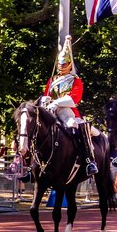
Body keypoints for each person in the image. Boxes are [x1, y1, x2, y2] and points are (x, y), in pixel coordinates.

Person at [43, 35, 98, 177]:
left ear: (69, 64)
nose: (61, 66)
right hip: (51, 110)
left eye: (64, 64)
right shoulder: (52, 79)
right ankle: (32, 165)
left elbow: (75, 99)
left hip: (67, 111)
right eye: (60, 64)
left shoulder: (75, 80)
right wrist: (46, 100)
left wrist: (56, 102)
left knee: (73, 124)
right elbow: (46, 93)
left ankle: (88, 159)